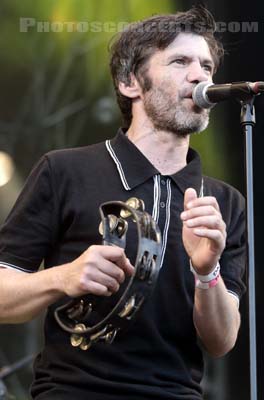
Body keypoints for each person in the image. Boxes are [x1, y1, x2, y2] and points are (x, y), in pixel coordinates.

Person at [0, 6, 246, 400]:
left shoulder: (223, 203)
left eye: (207, 66)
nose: (200, 75)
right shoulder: (64, 171)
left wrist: (207, 272)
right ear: (131, 82)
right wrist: (62, 277)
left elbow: (221, 340)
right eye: (180, 61)